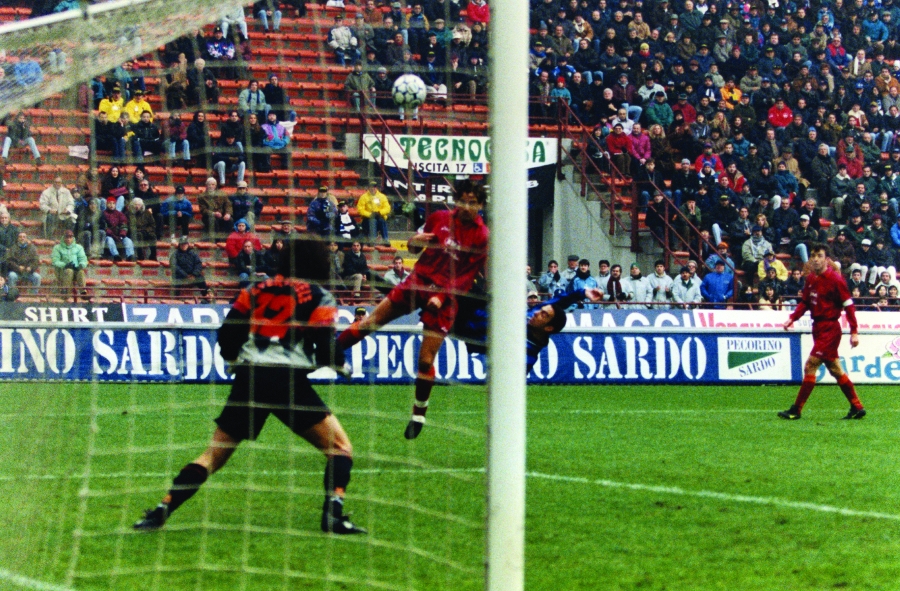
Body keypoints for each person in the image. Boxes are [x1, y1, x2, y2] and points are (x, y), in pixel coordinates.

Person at [134, 238, 366, 535]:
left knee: (212, 456)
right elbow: (324, 349)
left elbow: (227, 337)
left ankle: (161, 510)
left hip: (249, 379)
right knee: (340, 449)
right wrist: (341, 365)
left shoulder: (253, 290)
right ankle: (333, 516)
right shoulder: (320, 297)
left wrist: (233, 360)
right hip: (287, 382)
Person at [336, 180, 488, 439]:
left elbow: (465, 277)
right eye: (462, 201)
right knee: (371, 321)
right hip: (416, 282)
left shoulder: (481, 236)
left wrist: (442, 296)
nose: (466, 207)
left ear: (480, 205)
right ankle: (331, 351)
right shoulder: (439, 218)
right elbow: (415, 248)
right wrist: (414, 240)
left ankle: (419, 413)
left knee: (426, 360)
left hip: (445, 297)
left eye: (472, 202)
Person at [779, 243, 866, 421]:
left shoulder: (836, 280)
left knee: (810, 366)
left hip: (830, 329)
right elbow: (805, 303)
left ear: (826, 259)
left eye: (819, 255)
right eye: (813, 256)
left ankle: (796, 409)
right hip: (817, 328)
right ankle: (857, 406)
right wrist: (792, 318)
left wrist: (854, 331)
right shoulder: (811, 279)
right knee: (835, 369)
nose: (816, 259)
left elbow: (849, 306)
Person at [51, 230, 88, 297]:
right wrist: (65, 265)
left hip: (75, 269)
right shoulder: (57, 248)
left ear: (73, 238)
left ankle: (83, 292)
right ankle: (65, 291)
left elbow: (83, 259)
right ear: (63, 237)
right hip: (61, 271)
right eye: (66, 237)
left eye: (70, 237)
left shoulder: (79, 247)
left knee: (81, 272)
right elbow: (55, 261)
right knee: (69, 271)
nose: (68, 239)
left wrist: (80, 265)